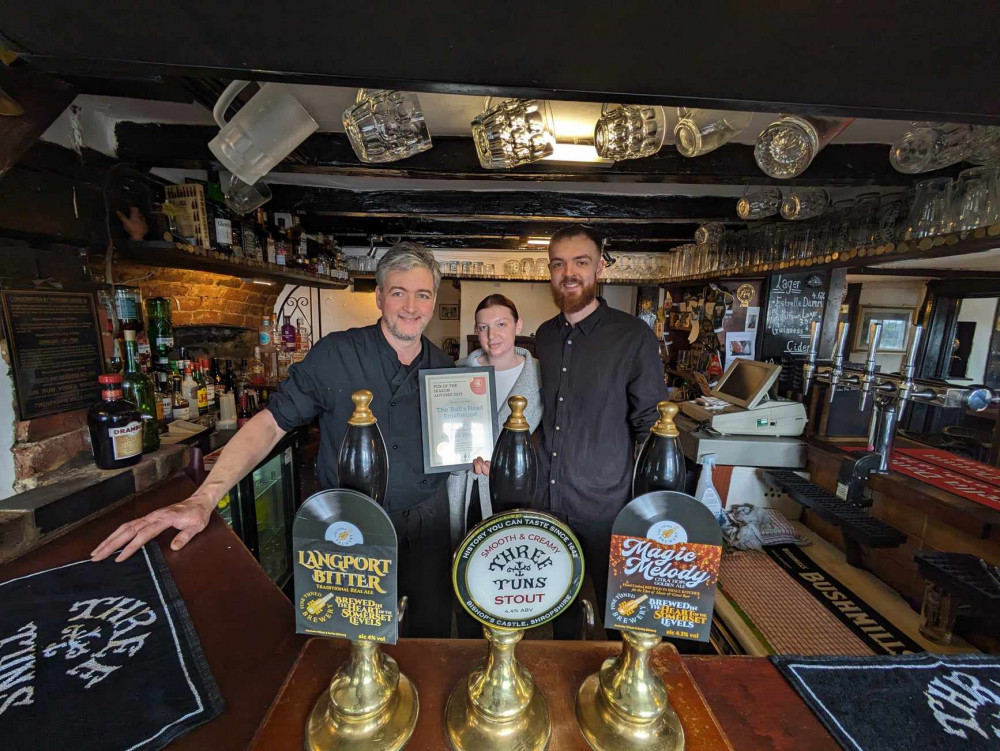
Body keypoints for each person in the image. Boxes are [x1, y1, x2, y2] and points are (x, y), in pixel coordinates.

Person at [91, 243, 456, 637]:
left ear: (433, 300)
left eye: (423, 294)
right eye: (399, 292)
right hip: (349, 531)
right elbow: (271, 424)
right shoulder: (336, 354)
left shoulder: (444, 369)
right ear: (380, 296)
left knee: (428, 632)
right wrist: (204, 498)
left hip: (428, 527)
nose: (411, 306)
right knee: (350, 641)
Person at [536, 224, 667, 638]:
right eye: (559, 264)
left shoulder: (633, 336)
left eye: (580, 262)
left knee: (623, 616)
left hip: (607, 506)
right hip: (549, 501)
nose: (568, 273)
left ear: (599, 270)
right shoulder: (544, 336)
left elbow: (652, 425)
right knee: (559, 610)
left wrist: (649, 510)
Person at [449, 294, 542, 544]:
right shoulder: (456, 372)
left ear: (518, 325)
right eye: (484, 327)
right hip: (468, 490)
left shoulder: (542, 376)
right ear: (476, 331)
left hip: (518, 491)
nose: (492, 335)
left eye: (502, 324)